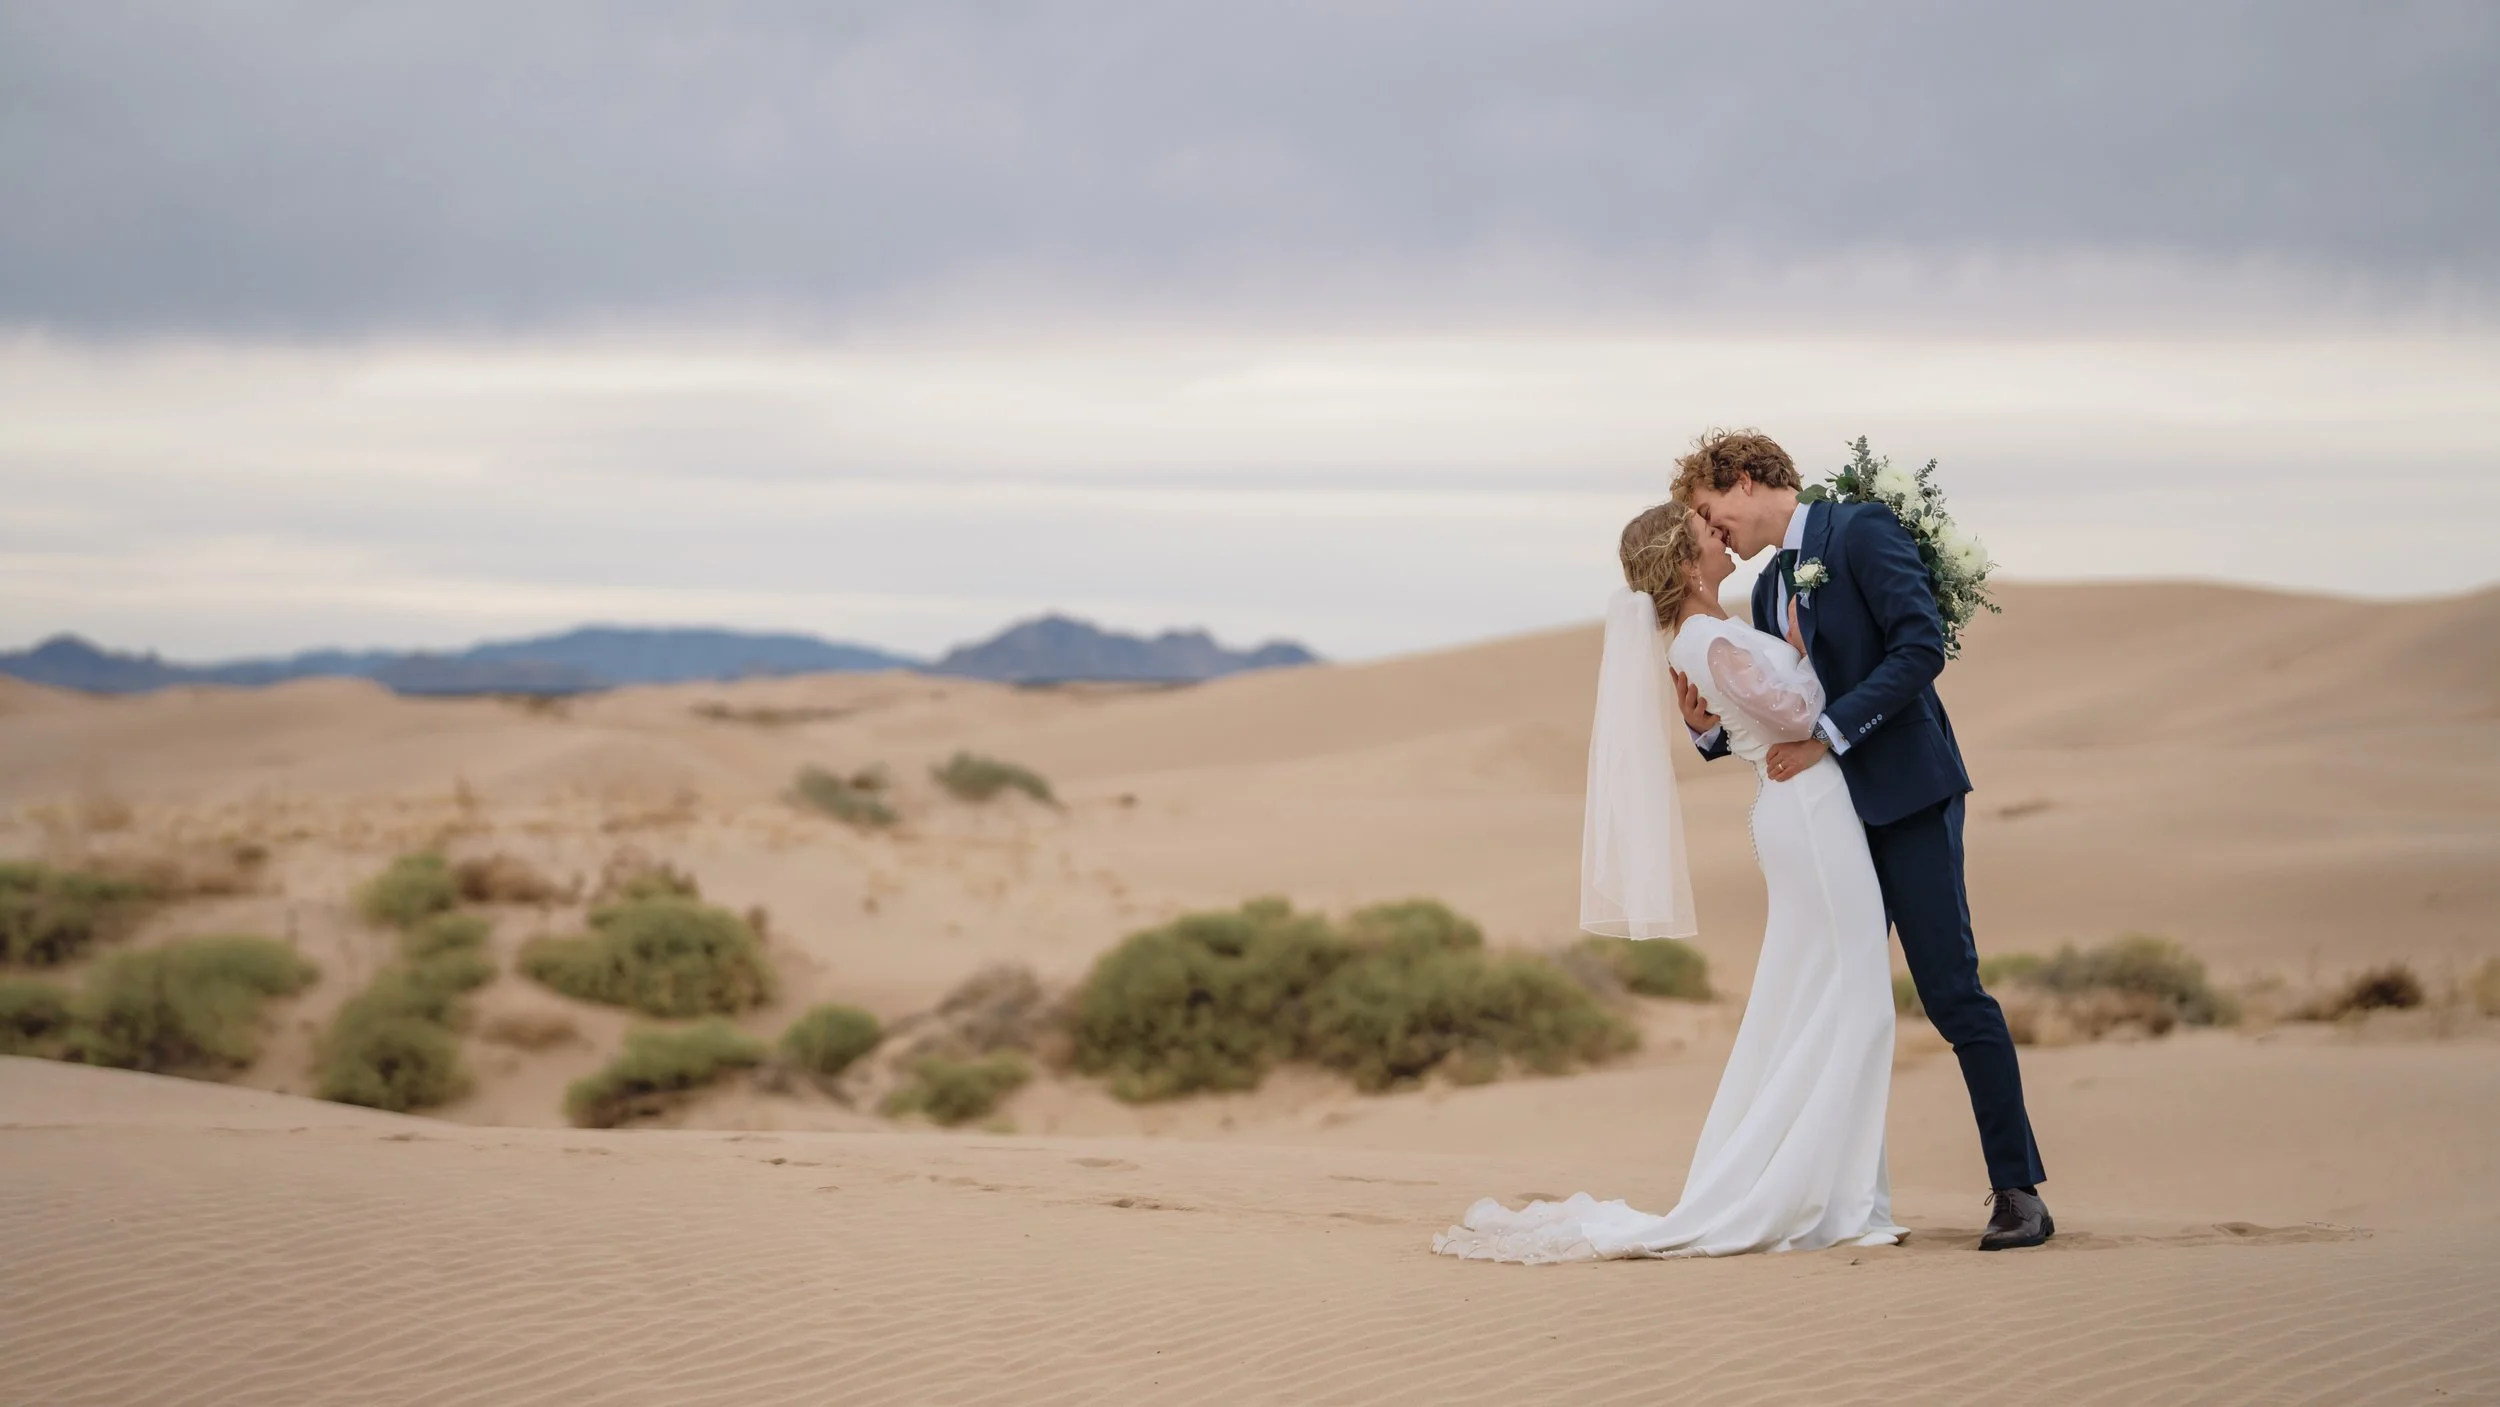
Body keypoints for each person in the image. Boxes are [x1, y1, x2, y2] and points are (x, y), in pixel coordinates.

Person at [1434, 499, 1907, 1261]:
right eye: (1705, 535)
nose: (1720, 537)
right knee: (1858, 999)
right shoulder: (1707, 639)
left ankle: (1845, 1197)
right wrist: (1811, 649)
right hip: (1809, 815)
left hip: (1809, 810)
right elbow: (1794, 718)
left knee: (1828, 998)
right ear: (1686, 564)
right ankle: (1835, 1202)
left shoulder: (1711, 631)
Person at [1676, 429, 2049, 1250]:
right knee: (1836, 1000)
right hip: (1830, 823)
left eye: (1709, 507)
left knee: (1951, 991)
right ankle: (1835, 1196)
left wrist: (1830, 735)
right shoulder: (1768, 587)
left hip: (1908, 794)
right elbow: (1779, 707)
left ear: (1744, 479)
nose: (1712, 527)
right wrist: (1707, 730)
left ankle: (2018, 1189)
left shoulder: (1861, 530)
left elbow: (1920, 646)